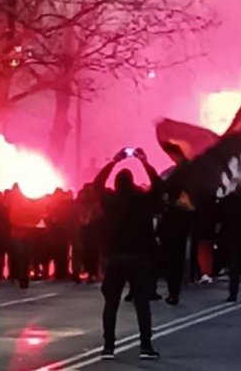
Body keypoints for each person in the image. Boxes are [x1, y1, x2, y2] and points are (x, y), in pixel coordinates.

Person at [94, 148, 161, 360]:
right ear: (133, 183)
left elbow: (97, 184)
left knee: (111, 303)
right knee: (142, 303)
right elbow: (159, 186)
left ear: (116, 184)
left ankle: (108, 346)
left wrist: (114, 161)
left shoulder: (110, 202)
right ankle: (146, 346)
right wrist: (145, 162)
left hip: (115, 257)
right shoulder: (143, 201)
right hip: (139, 257)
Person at [158, 185, 195, 305]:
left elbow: (161, 228)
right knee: (178, 268)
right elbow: (192, 219)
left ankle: (172, 292)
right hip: (180, 243)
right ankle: (175, 292)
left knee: (170, 269)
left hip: (168, 243)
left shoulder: (167, 211)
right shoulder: (184, 212)